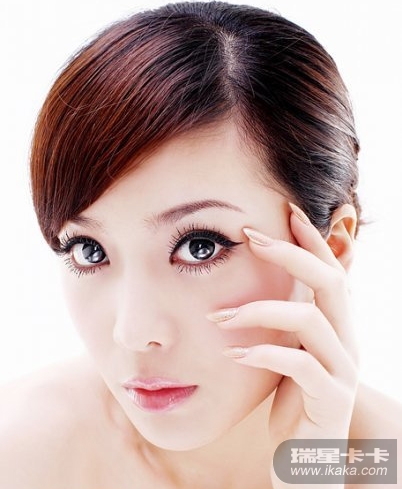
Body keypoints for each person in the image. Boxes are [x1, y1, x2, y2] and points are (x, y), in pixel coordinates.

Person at [1, 2, 401, 488]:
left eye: (199, 247)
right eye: (89, 250)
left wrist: (309, 472)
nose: (133, 333)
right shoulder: (20, 452)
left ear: (330, 247)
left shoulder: (384, 462)